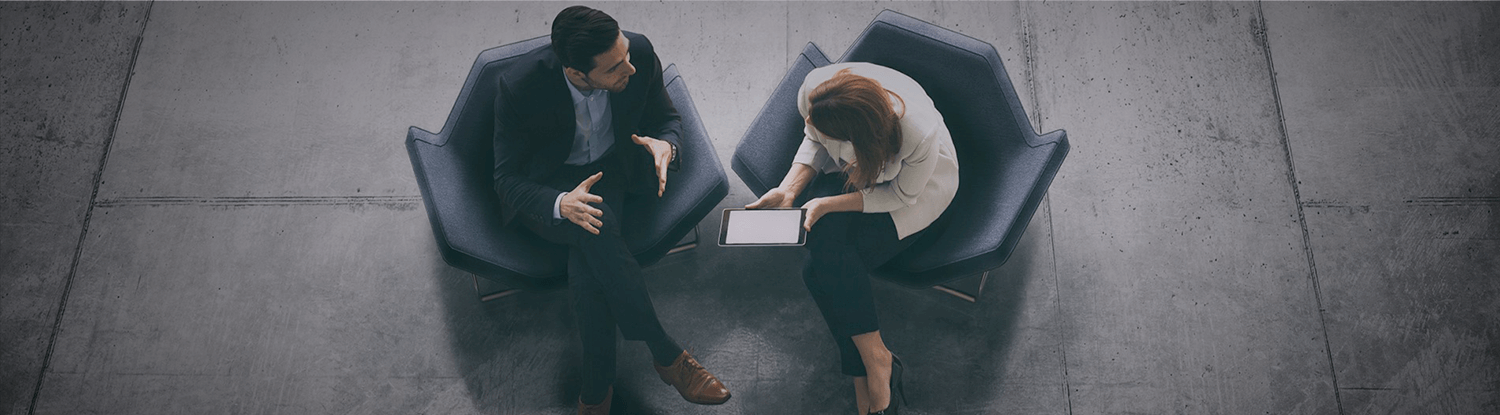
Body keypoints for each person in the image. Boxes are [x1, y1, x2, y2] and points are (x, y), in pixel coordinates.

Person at [491, 6, 730, 414]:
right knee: (592, 232)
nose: (631, 69)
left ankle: (596, 392)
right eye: (616, 67)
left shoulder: (635, 52)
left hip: (611, 172)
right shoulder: (520, 87)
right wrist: (560, 204)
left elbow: (667, 117)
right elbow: (506, 179)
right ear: (576, 72)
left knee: (590, 266)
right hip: (551, 186)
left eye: (627, 55)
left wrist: (665, 145)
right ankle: (667, 355)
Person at [746, 62, 959, 415]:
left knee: (818, 269)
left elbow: (902, 196)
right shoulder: (814, 92)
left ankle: (868, 365)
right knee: (824, 256)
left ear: (857, 137)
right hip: (860, 174)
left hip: (917, 193)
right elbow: (813, 137)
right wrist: (788, 190)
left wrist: (828, 203)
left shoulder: (918, 133)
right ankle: (874, 359)